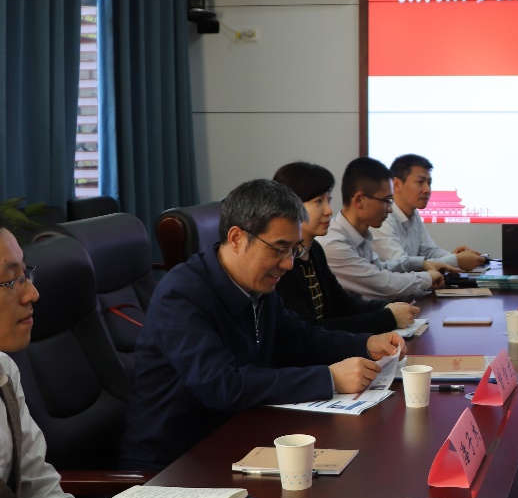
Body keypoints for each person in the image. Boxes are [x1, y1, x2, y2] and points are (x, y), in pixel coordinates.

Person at [121, 179, 403, 470]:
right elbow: (222, 386)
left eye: (293, 250)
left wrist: (365, 343)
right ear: (236, 238)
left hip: (239, 435)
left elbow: (301, 338)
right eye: (279, 249)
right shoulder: (181, 295)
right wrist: (327, 378)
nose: (288, 264)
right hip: (176, 464)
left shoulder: (257, 283)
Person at [0, 226, 78, 498]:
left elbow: (39, 486)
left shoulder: (5, 372)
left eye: (25, 273)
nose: (32, 293)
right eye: (10, 281)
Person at [273, 161, 418, 332]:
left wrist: (389, 307)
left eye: (329, 200)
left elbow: (342, 304)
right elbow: (308, 330)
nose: (329, 210)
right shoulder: (282, 263)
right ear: (290, 205)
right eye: (318, 201)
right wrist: (388, 317)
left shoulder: (314, 250)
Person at [319, 157, 448, 301]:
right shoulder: (334, 243)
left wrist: (420, 263)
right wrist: (426, 278)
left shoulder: (361, 234)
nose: (390, 209)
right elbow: (380, 284)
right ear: (360, 200)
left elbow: (379, 268)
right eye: (386, 200)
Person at [371, 154, 488, 273]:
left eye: (429, 183)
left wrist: (455, 257)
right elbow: (401, 264)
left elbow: (429, 250)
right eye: (420, 182)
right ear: (397, 184)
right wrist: (456, 260)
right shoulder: (382, 218)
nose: (427, 190)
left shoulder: (413, 213)